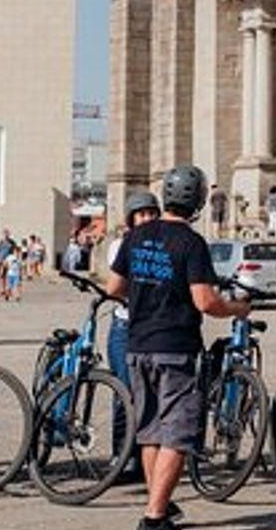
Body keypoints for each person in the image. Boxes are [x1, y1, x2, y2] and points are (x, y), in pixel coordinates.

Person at [107, 165, 251, 530]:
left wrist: (145, 293)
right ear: (199, 200)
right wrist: (237, 308)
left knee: (152, 430)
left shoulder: (137, 235)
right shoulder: (190, 242)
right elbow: (205, 301)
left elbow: (113, 287)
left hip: (138, 344)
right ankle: (154, 517)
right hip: (176, 347)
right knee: (178, 433)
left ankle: (161, 504)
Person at [108, 190, 163, 481]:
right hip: (124, 327)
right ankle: (121, 454)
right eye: (142, 214)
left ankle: (145, 457)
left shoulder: (164, 242)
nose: (148, 219)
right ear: (131, 219)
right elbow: (117, 285)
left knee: (152, 395)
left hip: (153, 327)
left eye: (152, 213)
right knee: (126, 392)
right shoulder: (121, 244)